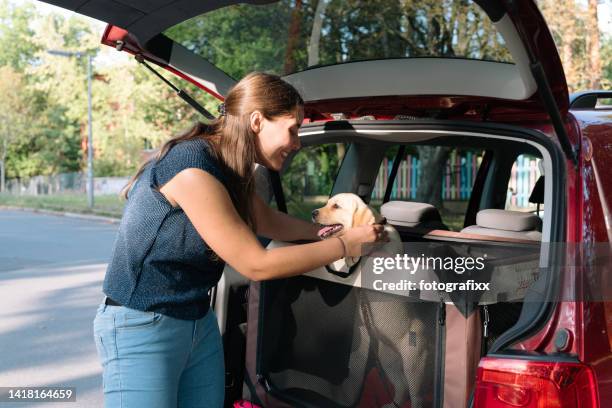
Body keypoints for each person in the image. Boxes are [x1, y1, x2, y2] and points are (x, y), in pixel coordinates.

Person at [92, 72, 387, 408]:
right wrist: (346, 245)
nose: (297, 142)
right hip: (142, 325)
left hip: (196, 321)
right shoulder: (192, 168)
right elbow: (254, 264)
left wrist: (332, 231)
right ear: (258, 121)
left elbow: (266, 220)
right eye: (292, 130)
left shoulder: (230, 167)